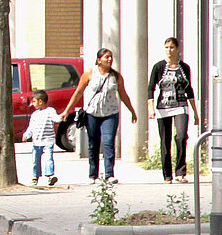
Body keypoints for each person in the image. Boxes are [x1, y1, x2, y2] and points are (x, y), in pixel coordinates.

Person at [61, 46, 137, 183]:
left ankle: (109, 174)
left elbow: (123, 94)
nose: (109, 59)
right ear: (99, 60)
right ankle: (93, 175)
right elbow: (78, 92)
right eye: (106, 57)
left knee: (108, 142)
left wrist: (132, 110)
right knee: (93, 144)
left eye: (110, 57)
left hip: (110, 114)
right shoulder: (90, 73)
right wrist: (67, 110)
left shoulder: (116, 76)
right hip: (92, 114)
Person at [147, 37, 199, 183]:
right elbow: (150, 87)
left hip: (181, 105)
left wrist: (195, 112)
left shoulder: (185, 67)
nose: (169, 50)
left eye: (171, 47)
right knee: (166, 140)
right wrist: (150, 108)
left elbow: (189, 89)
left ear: (177, 49)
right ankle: (167, 175)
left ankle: (180, 172)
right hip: (164, 107)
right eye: (166, 47)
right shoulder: (159, 67)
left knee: (181, 137)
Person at [23, 89, 60, 186]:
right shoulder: (35, 115)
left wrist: (62, 117)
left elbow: (56, 118)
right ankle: (35, 177)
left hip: (48, 141)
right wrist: (26, 134)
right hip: (36, 142)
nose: (33, 104)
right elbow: (31, 127)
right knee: (35, 160)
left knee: (49, 158)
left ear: (41, 101)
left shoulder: (50, 111)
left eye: (34, 101)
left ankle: (50, 175)